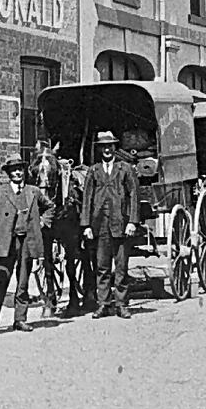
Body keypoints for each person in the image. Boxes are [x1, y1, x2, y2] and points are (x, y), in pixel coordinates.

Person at [0, 153, 55, 335]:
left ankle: (20, 319)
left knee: (23, 283)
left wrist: (42, 222)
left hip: (27, 242)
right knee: (0, 281)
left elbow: (50, 206)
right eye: (13, 170)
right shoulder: (0, 191)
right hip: (6, 243)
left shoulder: (33, 192)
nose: (17, 173)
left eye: (20, 169)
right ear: (8, 173)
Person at [80, 130, 140, 318]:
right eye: (103, 147)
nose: (107, 150)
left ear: (115, 148)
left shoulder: (125, 169)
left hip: (120, 224)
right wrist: (87, 225)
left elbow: (133, 196)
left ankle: (122, 304)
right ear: (99, 150)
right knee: (102, 266)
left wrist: (132, 221)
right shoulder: (94, 170)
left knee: (121, 267)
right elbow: (87, 198)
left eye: (110, 146)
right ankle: (104, 303)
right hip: (100, 226)